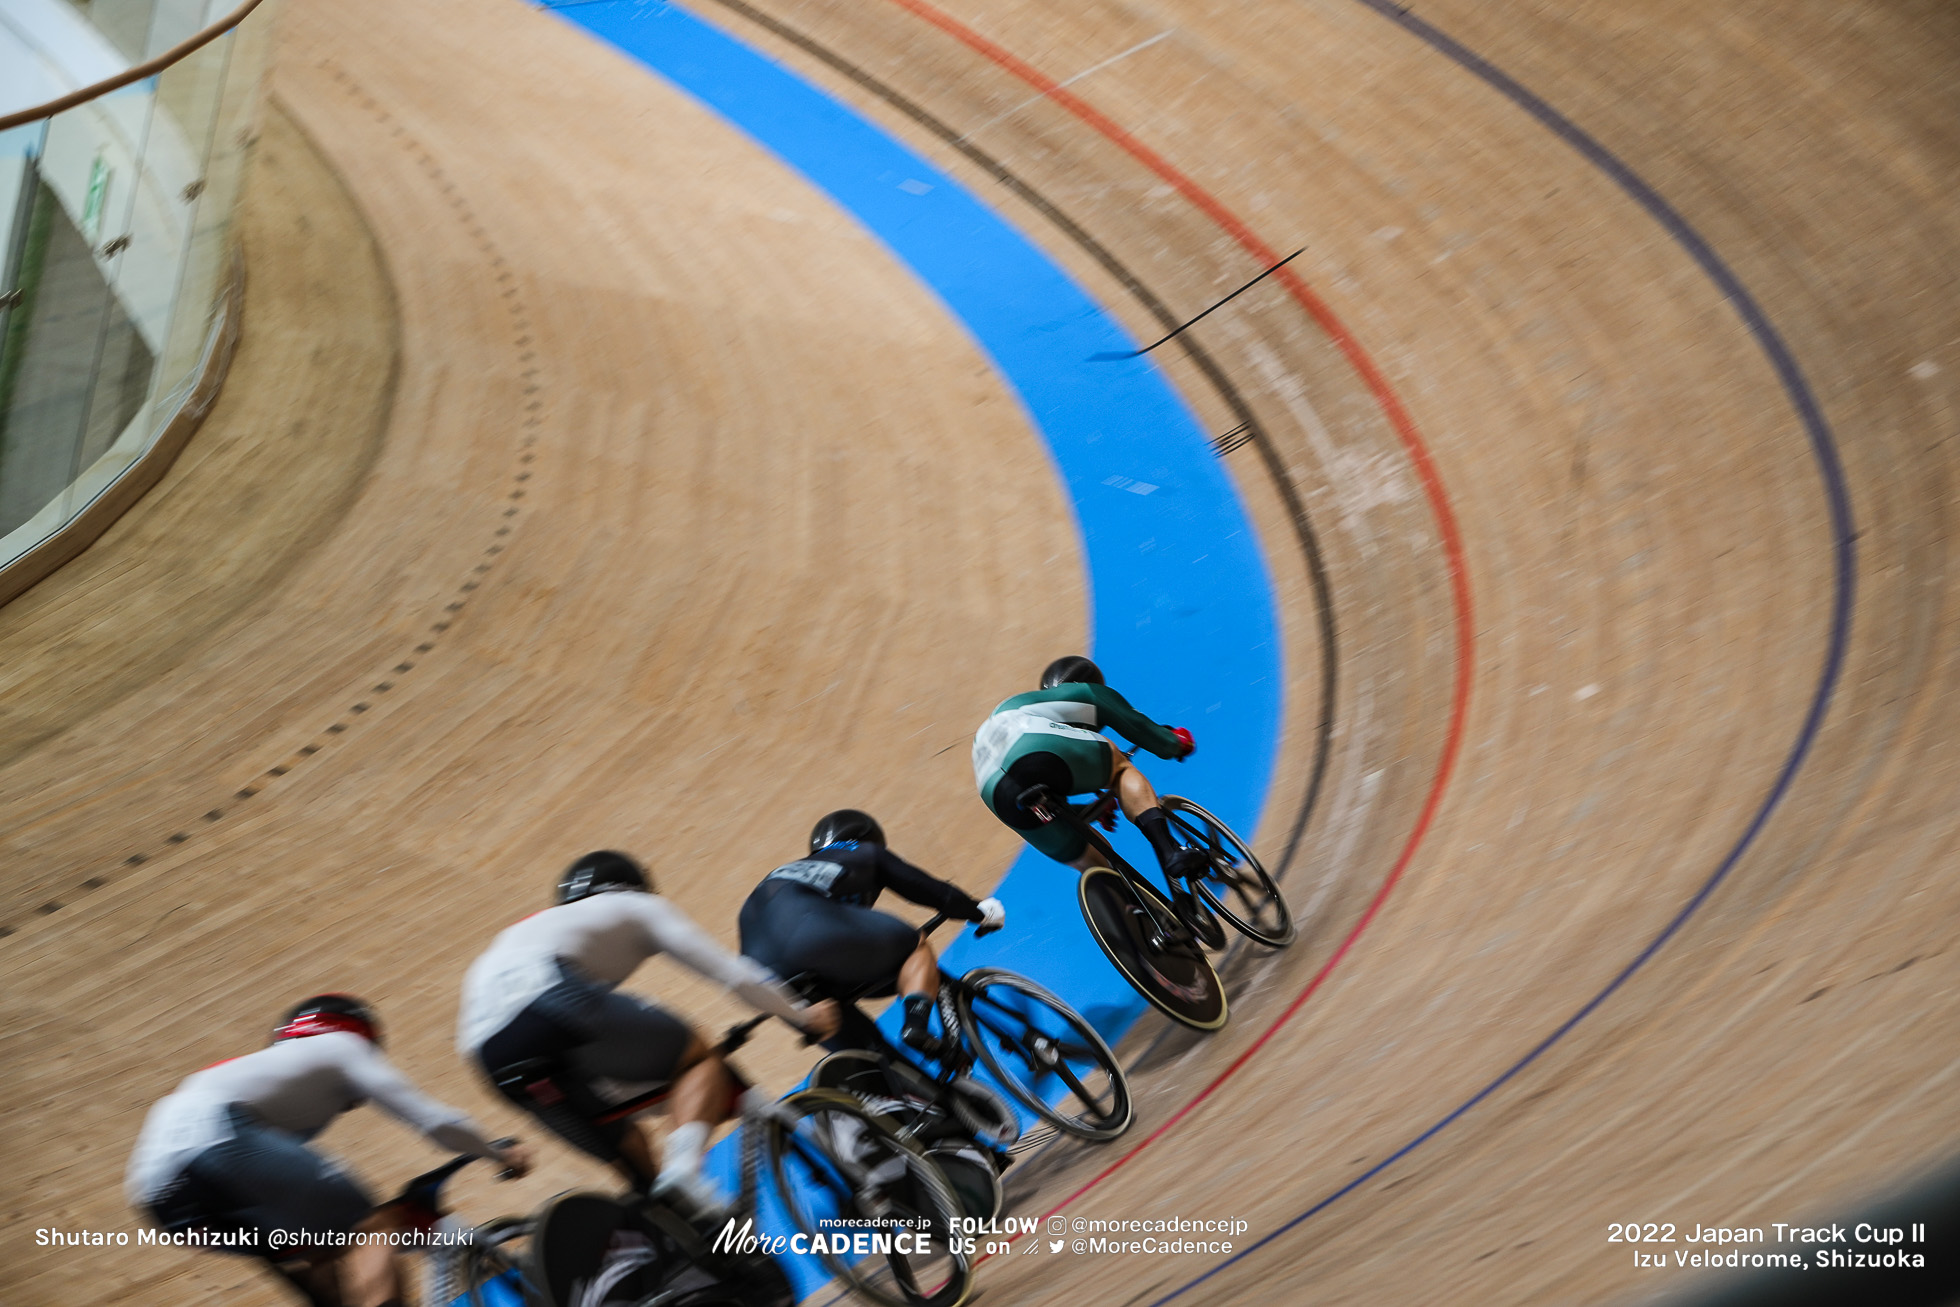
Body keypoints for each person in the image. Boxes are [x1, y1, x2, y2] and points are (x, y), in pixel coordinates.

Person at [458, 851, 839, 1214]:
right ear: (629, 885)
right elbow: (733, 975)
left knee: (637, 1164)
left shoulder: (534, 930)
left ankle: (694, 1256)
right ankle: (684, 1170)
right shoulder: (635, 905)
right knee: (697, 1058)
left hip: (489, 1057)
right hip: (552, 1003)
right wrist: (802, 1015)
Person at [126, 994, 532, 1307]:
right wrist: (497, 1153)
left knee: (321, 1254)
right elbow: (436, 1123)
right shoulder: (339, 1046)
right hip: (216, 1138)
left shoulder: (263, 1080)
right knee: (373, 1227)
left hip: (157, 1194)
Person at [737, 809, 1004, 1057]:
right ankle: (916, 1026)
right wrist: (979, 912)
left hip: (762, 974)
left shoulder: (796, 873)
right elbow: (930, 890)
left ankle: (901, 1096)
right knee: (914, 947)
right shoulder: (858, 851)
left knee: (872, 1057)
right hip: (811, 930)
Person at [973, 655, 1199, 880]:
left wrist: (1093, 810)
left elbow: (1047, 802)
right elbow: (1136, 725)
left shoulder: (1024, 708)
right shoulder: (1086, 692)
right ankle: (1170, 850)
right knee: (1120, 769)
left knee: (1090, 859)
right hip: (1029, 741)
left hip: (993, 790)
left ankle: (1129, 910)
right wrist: (1175, 744)